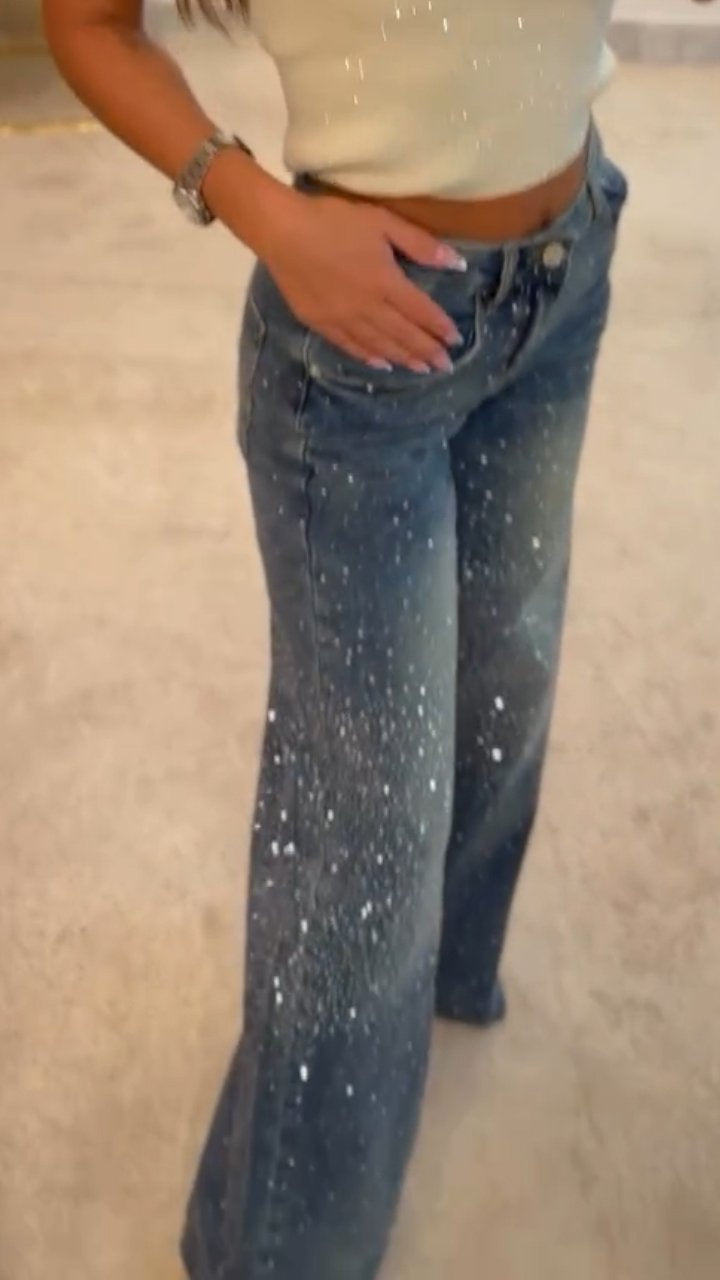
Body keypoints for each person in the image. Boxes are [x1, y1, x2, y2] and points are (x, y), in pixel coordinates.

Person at [42, 0, 713, 1276]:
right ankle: (277, 1252)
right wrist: (264, 212)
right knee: (362, 837)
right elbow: (89, 25)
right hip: (360, 351)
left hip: (567, 264)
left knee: (505, 677)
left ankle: (443, 973)